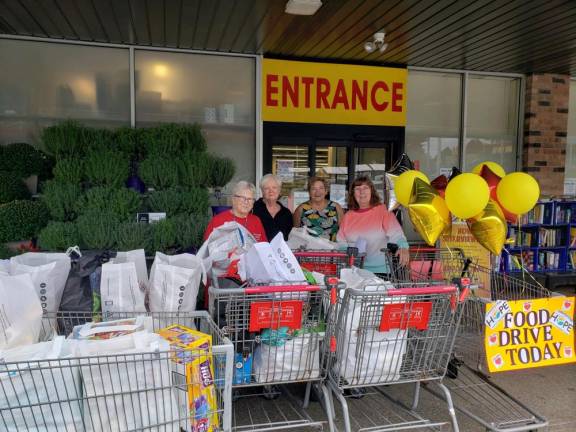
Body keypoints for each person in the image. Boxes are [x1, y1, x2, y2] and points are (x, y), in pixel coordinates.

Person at [337, 176, 409, 275]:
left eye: (365, 188)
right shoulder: (348, 216)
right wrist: (348, 254)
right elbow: (341, 241)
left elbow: (396, 233)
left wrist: (403, 247)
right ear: (353, 194)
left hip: (380, 272)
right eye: (357, 189)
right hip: (355, 271)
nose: (362, 192)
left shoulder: (383, 211)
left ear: (372, 191)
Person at [293, 177, 344, 241]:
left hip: (332, 249)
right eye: (313, 189)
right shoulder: (301, 209)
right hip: (308, 250)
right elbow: (295, 234)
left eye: (321, 188)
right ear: (309, 192)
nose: (317, 192)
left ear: (326, 191)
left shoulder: (336, 207)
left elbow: (343, 233)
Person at [252, 174, 293, 241]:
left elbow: (290, 237)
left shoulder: (286, 213)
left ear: (279, 190)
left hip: (281, 250)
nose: (271, 191)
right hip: (258, 250)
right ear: (262, 191)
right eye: (266, 188)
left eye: (274, 187)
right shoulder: (253, 208)